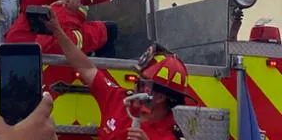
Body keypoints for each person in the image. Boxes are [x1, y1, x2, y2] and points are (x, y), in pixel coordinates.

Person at [45, 9, 189, 140]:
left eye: (142, 83)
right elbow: (86, 68)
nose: (135, 86)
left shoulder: (169, 137)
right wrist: (57, 31)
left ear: (160, 97)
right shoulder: (117, 100)